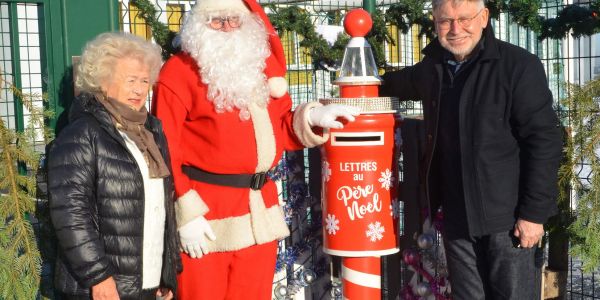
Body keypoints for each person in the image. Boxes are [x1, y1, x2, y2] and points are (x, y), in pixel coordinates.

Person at [151, 0, 358, 298]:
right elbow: (163, 147)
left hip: (258, 211)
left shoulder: (258, 69)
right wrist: (185, 212)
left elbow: (282, 129)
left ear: (248, 22)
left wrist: (312, 117)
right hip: (206, 215)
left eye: (234, 20)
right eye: (216, 21)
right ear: (199, 26)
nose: (226, 28)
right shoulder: (177, 72)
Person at [380, 0, 562, 298]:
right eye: (445, 21)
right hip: (457, 216)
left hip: (508, 220)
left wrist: (533, 214)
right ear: (435, 21)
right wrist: (360, 82)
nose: (455, 29)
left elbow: (543, 141)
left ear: (484, 17)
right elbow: (398, 83)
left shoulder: (517, 66)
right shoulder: (434, 67)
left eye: (464, 18)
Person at [48, 32, 181, 300]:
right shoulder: (82, 133)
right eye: (131, 80)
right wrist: (98, 276)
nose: (139, 89)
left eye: (144, 81)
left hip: (147, 283)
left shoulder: (151, 132)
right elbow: (70, 213)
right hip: (100, 288)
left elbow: (162, 205)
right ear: (103, 82)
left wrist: (166, 273)